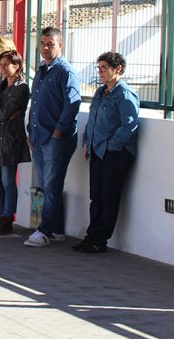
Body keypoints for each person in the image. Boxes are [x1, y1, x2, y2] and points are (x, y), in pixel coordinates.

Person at [74, 51, 139, 253]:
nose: (100, 72)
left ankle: (100, 239)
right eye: (99, 68)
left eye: (104, 68)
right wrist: (88, 142)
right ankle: (92, 235)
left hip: (115, 153)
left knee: (108, 196)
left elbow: (129, 126)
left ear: (117, 69)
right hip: (97, 150)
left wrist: (110, 146)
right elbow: (93, 121)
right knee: (96, 196)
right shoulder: (100, 92)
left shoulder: (125, 94)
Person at [24, 27, 82, 248]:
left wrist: (58, 131)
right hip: (39, 136)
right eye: (42, 43)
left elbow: (72, 104)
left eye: (50, 44)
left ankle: (45, 230)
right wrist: (31, 130)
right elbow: (35, 103)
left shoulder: (66, 72)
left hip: (56, 138)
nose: (45, 48)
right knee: (46, 184)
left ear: (60, 45)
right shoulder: (42, 70)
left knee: (52, 184)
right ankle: (56, 228)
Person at [0, 50, 31, 235]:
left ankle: (7, 217)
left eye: (6, 64)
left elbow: (5, 112)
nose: (1, 67)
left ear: (16, 66)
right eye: (0, 63)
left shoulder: (21, 88)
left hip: (9, 138)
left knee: (7, 180)